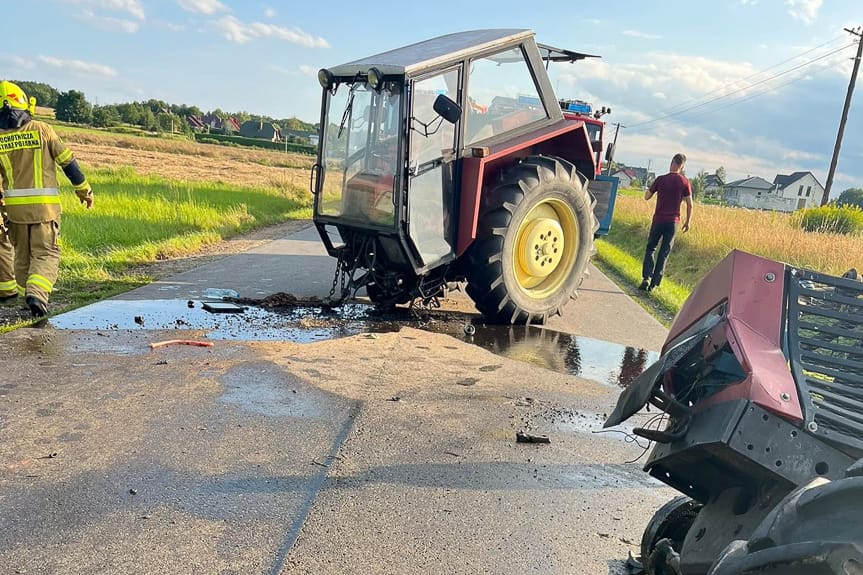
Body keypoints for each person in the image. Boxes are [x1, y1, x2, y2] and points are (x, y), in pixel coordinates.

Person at [0, 80, 94, 317]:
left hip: (15, 213)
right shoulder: (42, 130)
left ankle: (26, 300)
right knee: (46, 253)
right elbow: (68, 162)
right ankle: (37, 295)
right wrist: (84, 190)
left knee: (22, 258)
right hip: (45, 210)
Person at [640, 153, 692, 292]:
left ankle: (646, 278)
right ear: (682, 166)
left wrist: (649, 188)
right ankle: (654, 285)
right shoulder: (685, 182)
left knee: (651, 248)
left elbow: (647, 197)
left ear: (672, 163)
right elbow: (689, 204)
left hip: (658, 220)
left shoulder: (660, 180)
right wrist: (688, 222)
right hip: (673, 222)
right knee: (664, 253)